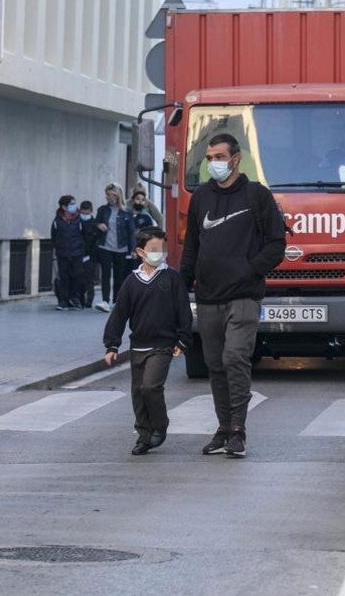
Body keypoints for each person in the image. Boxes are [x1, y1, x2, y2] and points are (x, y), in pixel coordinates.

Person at [180, 133, 286, 459]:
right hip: (208, 296)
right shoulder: (200, 199)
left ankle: (239, 429)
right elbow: (191, 249)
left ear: (236, 158)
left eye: (219, 157)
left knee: (234, 358)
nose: (213, 163)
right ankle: (223, 428)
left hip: (244, 295)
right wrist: (179, 288)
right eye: (209, 158)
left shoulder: (257, 196)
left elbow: (276, 244)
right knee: (215, 365)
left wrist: (250, 269)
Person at [102, 228, 192, 456]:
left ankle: (159, 427)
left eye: (162, 249)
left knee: (151, 386)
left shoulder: (171, 277)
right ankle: (143, 435)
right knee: (138, 392)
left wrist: (182, 339)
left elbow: (183, 310)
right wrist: (112, 344)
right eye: (153, 249)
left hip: (162, 345)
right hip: (138, 345)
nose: (159, 253)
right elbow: (119, 314)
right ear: (141, 252)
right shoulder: (132, 282)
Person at [94, 183, 135, 313]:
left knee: (119, 276)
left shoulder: (127, 212)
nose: (107, 197)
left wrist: (133, 249)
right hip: (105, 246)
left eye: (109, 195)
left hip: (121, 248)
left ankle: (117, 301)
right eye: (106, 195)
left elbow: (131, 232)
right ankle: (105, 301)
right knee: (105, 275)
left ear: (117, 196)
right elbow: (95, 223)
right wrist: (99, 225)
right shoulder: (102, 210)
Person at [50, 195, 86, 311]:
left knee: (77, 275)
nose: (74, 206)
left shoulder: (79, 220)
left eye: (74, 204)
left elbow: (85, 235)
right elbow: (54, 238)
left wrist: (83, 250)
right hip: (63, 253)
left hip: (77, 252)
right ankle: (63, 301)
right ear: (64, 207)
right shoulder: (57, 222)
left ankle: (75, 298)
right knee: (63, 277)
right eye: (71, 204)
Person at [79, 200, 100, 309]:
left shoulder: (95, 224)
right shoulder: (77, 222)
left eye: (87, 213)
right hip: (79, 255)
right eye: (83, 213)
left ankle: (89, 300)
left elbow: (96, 240)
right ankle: (81, 299)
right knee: (80, 279)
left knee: (89, 279)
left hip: (91, 256)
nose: (85, 216)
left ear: (91, 211)